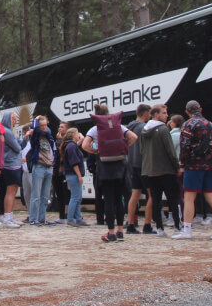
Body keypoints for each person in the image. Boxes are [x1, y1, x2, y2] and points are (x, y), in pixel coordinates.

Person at [173, 100, 212, 240]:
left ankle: (187, 230)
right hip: (210, 165)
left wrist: (182, 163)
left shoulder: (188, 125)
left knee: (189, 197)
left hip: (194, 165)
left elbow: (185, 147)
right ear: (201, 109)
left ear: (187, 112)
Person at [82, 104, 138, 242]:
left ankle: (111, 232)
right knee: (119, 199)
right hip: (120, 165)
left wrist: (96, 151)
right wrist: (123, 148)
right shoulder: (119, 126)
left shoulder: (95, 129)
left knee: (108, 200)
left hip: (105, 167)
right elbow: (134, 137)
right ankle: (120, 230)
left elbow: (84, 145)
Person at [140, 105, 181, 236]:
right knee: (173, 199)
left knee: (156, 200)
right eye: (164, 113)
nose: (166, 115)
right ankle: (177, 227)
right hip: (166, 169)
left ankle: (159, 228)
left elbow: (142, 151)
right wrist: (177, 166)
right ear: (156, 115)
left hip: (149, 171)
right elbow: (170, 151)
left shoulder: (144, 130)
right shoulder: (163, 129)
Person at [125, 104, 153, 234]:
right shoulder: (144, 128)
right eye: (149, 113)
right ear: (145, 113)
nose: (150, 115)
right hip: (145, 164)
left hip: (132, 164)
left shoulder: (128, 128)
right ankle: (147, 225)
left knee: (134, 194)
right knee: (151, 195)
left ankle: (130, 224)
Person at [27, 115, 57, 226]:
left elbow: (54, 150)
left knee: (45, 195)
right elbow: (33, 127)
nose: (44, 127)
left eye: (45, 125)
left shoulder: (49, 136)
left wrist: (53, 162)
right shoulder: (35, 136)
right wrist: (36, 119)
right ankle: (33, 218)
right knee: (36, 194)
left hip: (48, 166)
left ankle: (42, 218)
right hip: (39, 166)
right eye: (41, 125)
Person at [0, 112, 24, 228]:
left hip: (14, 163)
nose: (16, 121)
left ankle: (10, 216)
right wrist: (19, 143)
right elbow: (18, 147)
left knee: (13, 192)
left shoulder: (10, 131)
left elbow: (20, 144)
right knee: (10, 191)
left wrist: (27, 137)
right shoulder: (7, 132)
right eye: (13, 119)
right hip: (10, 164)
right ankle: (7, 218)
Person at [60, 127, 88, 226]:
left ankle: (78, 218)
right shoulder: (71, 146)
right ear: (73, 135)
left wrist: (81, 137)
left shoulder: (71, 145)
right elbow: (74, 163)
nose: (78, 135)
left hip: (72, 174)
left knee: (77, 197)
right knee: (75, 197)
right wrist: (79, 175)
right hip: (73, 174)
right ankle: (71, 218)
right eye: (77, 133)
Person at [52, 121, 72, 224]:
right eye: (59, 127)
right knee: (59, 193)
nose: (60, 129)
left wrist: (59, 140)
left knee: (66, 193)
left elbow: (61, 153)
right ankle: (61, 215)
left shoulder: (67, 142)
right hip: (56, 171)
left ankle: (67, 214)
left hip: (63, 171)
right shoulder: (57, 141)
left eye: (62, 127)